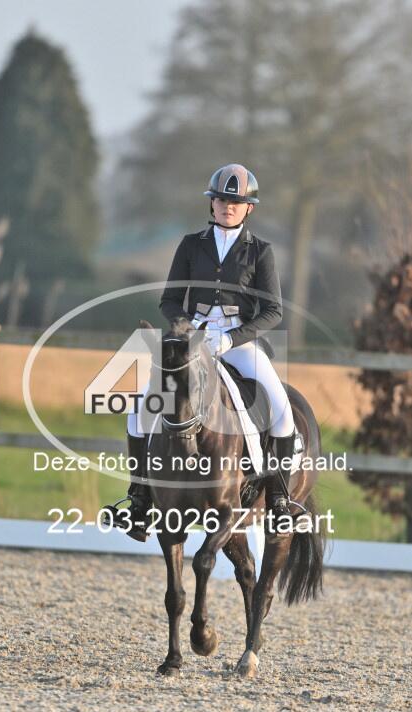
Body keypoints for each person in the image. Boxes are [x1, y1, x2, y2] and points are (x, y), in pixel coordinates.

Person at [110, 163, 296, 541]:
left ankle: (279, 500)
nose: (228, 206)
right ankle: (139, 500)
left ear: (248, 208)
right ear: (212, 204)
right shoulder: (191, 245)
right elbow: (169, 300)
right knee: (141, 408)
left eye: (236, 202)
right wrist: (188, 330)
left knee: (281, 409)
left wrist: (232, 338)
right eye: (222, 200)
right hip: (192, 342)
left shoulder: (260, 252)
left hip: (239, 343)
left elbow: (273, 311)